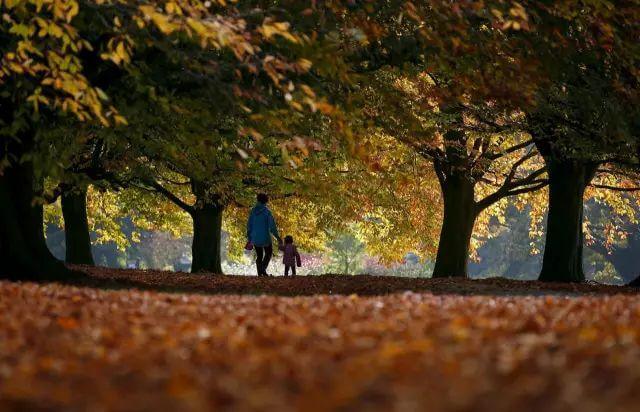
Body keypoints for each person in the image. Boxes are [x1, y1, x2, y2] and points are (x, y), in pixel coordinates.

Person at [247, 193, 282, 276]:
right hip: (265, 237)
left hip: (255, 237)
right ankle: (262, 269)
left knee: (259, 255)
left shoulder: (253, 211)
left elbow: (249, 224)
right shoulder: (267, 212)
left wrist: (249, 236)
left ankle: (260, 273)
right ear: (266, 201)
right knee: (269, 252)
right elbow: (272, 226)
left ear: (258, 200)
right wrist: (277, 237)